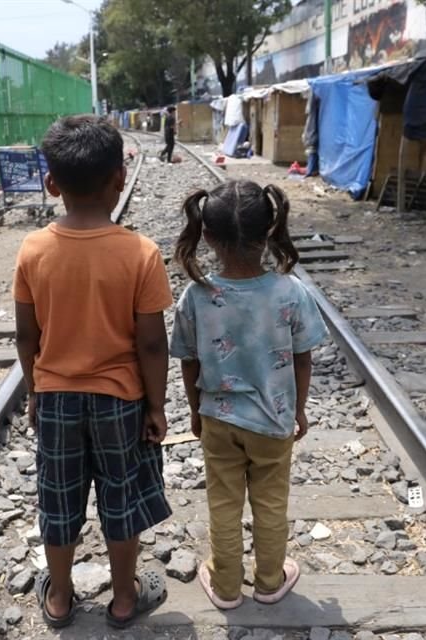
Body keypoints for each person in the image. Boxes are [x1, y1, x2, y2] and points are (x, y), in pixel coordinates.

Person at [13, 115, 172, 630]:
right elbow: (152, 342)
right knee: (120, 498)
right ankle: (124, 599)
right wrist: (155, 406)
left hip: (57, 399)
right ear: (118, 179)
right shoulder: (140, 253)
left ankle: (60, 598)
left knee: (58, 500)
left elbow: (26, 337)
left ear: (51, 183)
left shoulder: (33, 249)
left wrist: (34, 391)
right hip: (120, 401)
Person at [169, 180, 327, 609]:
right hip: (273, 421)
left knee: (223, 503)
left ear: (206, 235)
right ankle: (270, 582)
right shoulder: (290, 292)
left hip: (218, 419)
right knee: (271, 503)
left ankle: (226, 587)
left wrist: (195, 411)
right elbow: (303, 360)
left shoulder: (196, 296)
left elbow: (188, 362)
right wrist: (298, 410)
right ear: (271, 229)